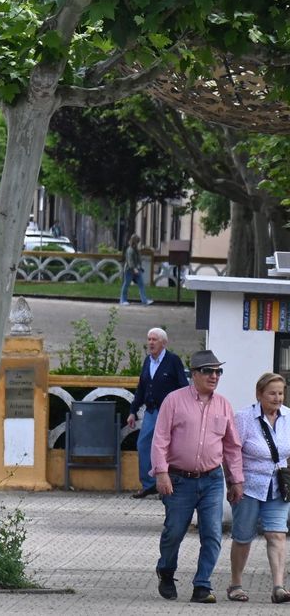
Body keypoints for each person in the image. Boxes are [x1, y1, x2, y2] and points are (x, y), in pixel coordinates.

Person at [152, 349, 245, 603]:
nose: (214, 376)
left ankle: (202, 585)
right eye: (208, 371)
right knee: (174, 531)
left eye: (218, 371)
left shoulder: (224, 404)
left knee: (213, 533)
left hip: (213, 479)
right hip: (179, 478)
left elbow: (232, 446)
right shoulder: (174, 400)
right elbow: (160, 439)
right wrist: (161, 473)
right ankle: (166, 571)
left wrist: (236, 479)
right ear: (194, 374)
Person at [226, 372, 290, 603]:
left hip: (278, 487)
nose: (277, 398)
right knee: (243, 537)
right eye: (272, 393)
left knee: (277, 534)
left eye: (281, 393)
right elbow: (231, 453)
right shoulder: (243, 418)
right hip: (248, 486)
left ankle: (278, 587)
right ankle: (235, 584)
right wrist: (233, 482)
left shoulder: (288, 417)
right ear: (259, 394)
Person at [130, 326, 189, 498]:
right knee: (143, 444)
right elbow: (141, 388)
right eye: (149, 339)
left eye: (154, 339)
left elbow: (183, 386)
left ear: (163, 343)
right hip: (151, 410)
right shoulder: (148, 361)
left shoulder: (173, 360)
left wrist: (183, 410)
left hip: (169, 412)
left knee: (168, 447)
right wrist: (133, 410)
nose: (150, 343)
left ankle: (170, 483)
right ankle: (148, 484)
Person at [121, 233, 153, 306]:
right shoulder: (130, 250)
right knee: (126, 284)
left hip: (137, 270)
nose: (138, 243)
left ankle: (144, 301)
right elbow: (130, 261)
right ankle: (123, 300)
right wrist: (134, 269)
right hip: (129, 270)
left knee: (141, 284)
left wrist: (139, 268)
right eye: (137, 242)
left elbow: (138, 260)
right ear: (134, 241)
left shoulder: (136, 250)